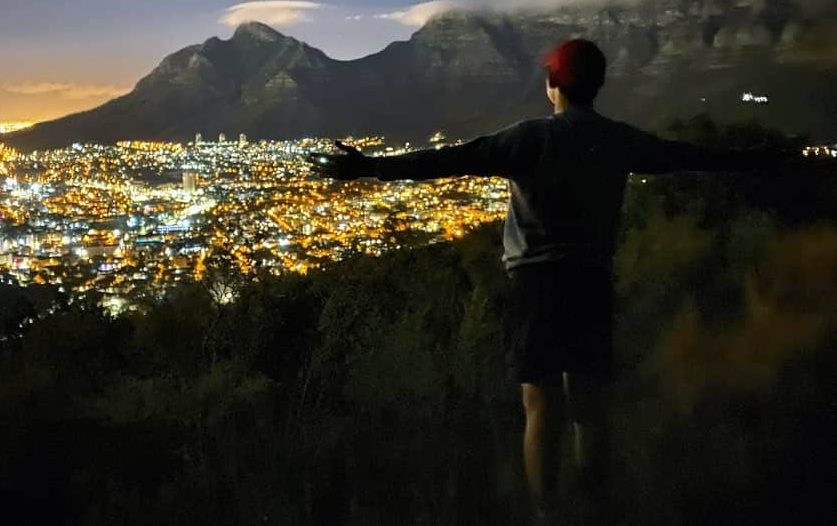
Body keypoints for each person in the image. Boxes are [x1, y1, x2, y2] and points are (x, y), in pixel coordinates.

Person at [306, 38, 787, 523]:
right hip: (592, 281)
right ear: (597, 85)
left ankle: (547, 514)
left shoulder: (529, 137)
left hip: (536, 284)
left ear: (552, 85)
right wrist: (757, 158)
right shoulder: (617, 139)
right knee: (590, 408)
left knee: (540, 405)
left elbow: (446, 160)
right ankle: (595, 508)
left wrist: (366, 168)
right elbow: (686, 155)